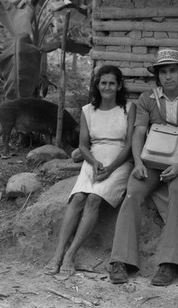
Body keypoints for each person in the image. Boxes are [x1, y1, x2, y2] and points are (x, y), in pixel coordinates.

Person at [108, 48, 178, 286]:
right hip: (150, 162)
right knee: (132, 193)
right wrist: (139, 162)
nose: (168, 76)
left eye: (173, 70)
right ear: (158, 75)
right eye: (163, 72)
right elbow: (139, 132)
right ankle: (121, 260)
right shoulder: (147, 99)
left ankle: (170, 263)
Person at [45, 65, 135, 276]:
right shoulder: (88, 110)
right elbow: (84, 145)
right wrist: (94, 163)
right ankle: (58, 253)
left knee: (94, 198)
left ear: (119, 85)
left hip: (120, 160)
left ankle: (71, 254)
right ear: (97, 85)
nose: (107, 87)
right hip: (94, 158)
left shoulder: (128, 109)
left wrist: (111, 168)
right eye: (103, 83)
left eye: (112, 83)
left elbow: (130, 144)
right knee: (77, 198)